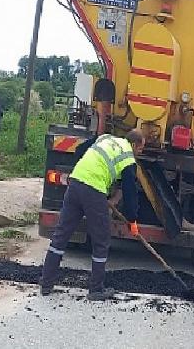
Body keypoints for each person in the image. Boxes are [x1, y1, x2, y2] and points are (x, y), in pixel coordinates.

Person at [39, 129, 144, 301]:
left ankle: (46, 282)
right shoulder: (128, 158)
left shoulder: (106, 137)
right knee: (101, 240)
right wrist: (132, 220)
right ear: (134, 144)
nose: (140, 153)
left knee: (61, 235)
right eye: (140, 149)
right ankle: (96, 289)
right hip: (94, 191)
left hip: (75, 183)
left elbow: (80, 150)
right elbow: (130, 191)